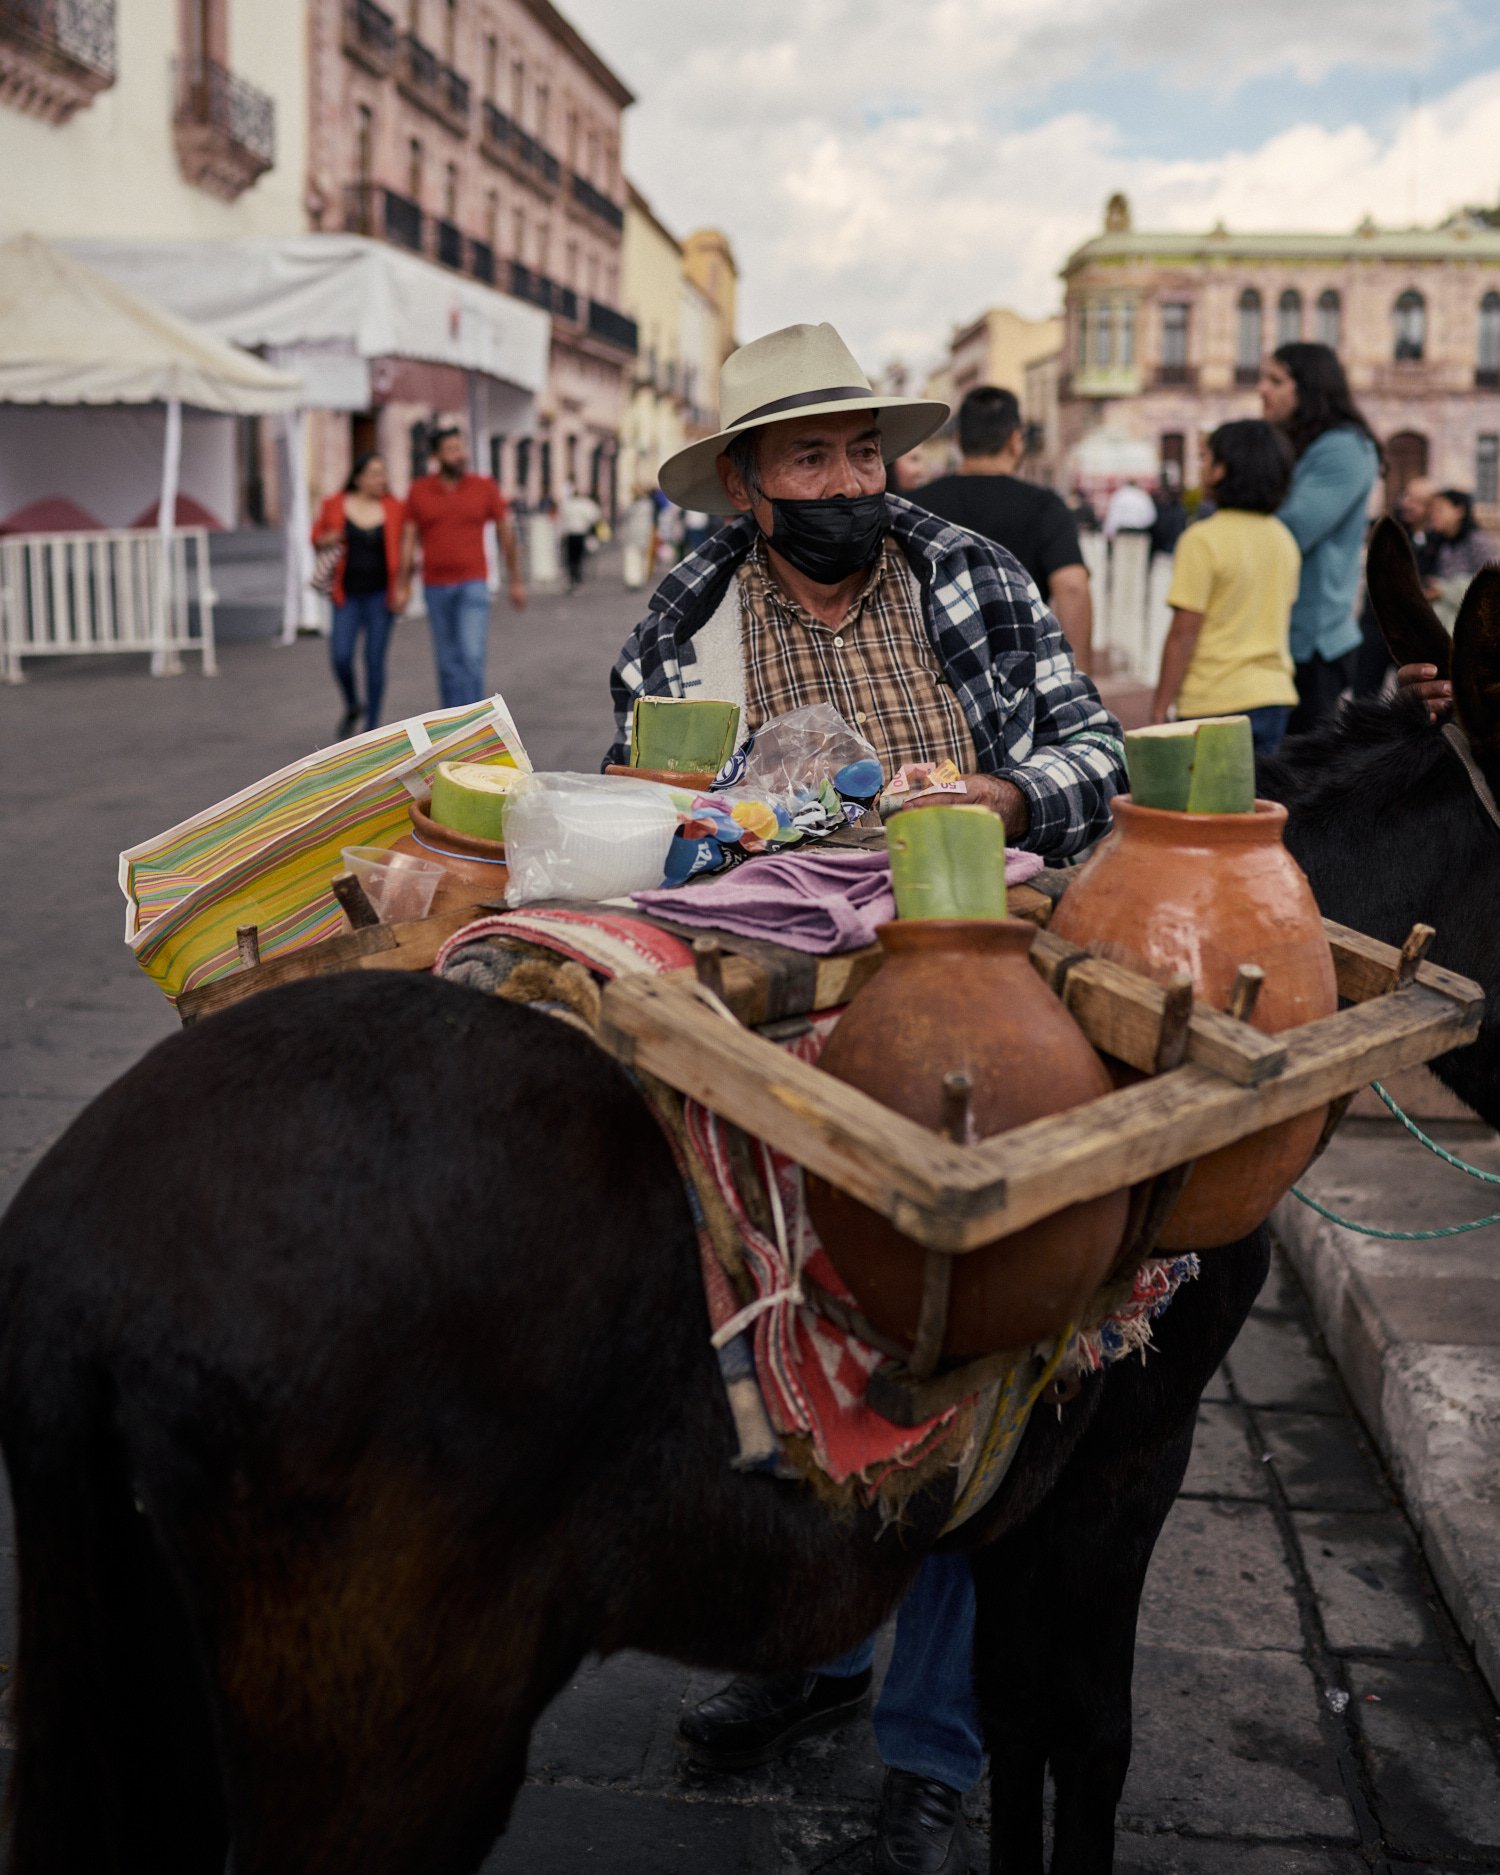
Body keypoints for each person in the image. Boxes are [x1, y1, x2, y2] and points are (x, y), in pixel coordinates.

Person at [608, 321, 1126, 1875]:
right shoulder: (693, 603)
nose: (846, 482)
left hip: (974, 988)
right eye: (808, 458)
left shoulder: (966, 570)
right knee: (770, 1313)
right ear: (752, 484)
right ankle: (815, 1649)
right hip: (767, 1003)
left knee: (969, 1339)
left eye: (860, 452)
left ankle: (933, 1739)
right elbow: (638, 791)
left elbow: (1091, 746)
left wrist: (1010, 791)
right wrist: (742, 819)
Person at [914, 385, 1095, 671]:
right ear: (1016, 440)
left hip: (936, 674)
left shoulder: (916, 506)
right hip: (1020, 673)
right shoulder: (1044, 506)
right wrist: (1078, 676)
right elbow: (1072, 587)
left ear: (959, 441)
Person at [1151, 421, 1300, 754]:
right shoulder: (1284, 539)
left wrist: (1160, 705)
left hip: (1212, 699)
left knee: (1207, 805)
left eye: (1205, 458)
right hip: (1273, 695)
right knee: (1257, 802)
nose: (1200, 467)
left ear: (1221, 471)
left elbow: (1183, 634)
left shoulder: (1202, 539)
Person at [1257, 342, 1379, 733]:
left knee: (1296, 780)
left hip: (1312, 647)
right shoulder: (1298, 444)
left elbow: (1291, 530)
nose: (1262, 390)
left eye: (1275, 380)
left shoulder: (1344, 449)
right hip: (1278, 641)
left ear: (1309, 388)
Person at [397, 426, 527, 708]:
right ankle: (452, 724)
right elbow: (408, 539)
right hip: (435, 586)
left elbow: (506, 534)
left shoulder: (483, 487)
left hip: (473, 583)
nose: (460, 455)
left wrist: (515, 580)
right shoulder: (419, 491)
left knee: (471, 655)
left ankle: (474, 722)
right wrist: (402, 586)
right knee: (447, 662)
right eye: (451, 450)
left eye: (461, 448)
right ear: (436, 456)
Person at [311, 452, 405, 739]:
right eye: (375, 473)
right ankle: (353, 704)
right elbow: (315, 537)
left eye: (383, 473)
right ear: (358, 477)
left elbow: (406, 548)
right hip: (347, 596)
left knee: (374, 660)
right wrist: (326, 539)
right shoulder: (335, 504)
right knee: (340, 656)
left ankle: (372, 725)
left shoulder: (394, 507)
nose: (381, 479)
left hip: (380, 597)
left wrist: (404, 586)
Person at [1353, 477, 1437, 697]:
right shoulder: (1386, 529)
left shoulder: (1439, 541)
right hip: (1376, 624)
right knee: (1365, 693)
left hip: (1412, 631)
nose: (1408, 504)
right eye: (1407, 496)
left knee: (1411, 696)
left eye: (1418, 501)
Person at [1424, 487, 1496, 632]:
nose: (1433, 515)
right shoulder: (1438, 543)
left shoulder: (1476, 542)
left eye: (1439, 509)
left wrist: (1444, 590)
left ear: (1459, 511)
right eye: (1432, 510)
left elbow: (1492, 584)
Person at [560, 482, 603, 590]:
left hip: (570, 533)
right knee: (579, 556)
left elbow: (562, 518)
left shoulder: (568, 504)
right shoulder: (585, 504)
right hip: (581, 532)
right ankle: (577, 575)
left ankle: (572, 575)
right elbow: (594, 517)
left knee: (571, 557)